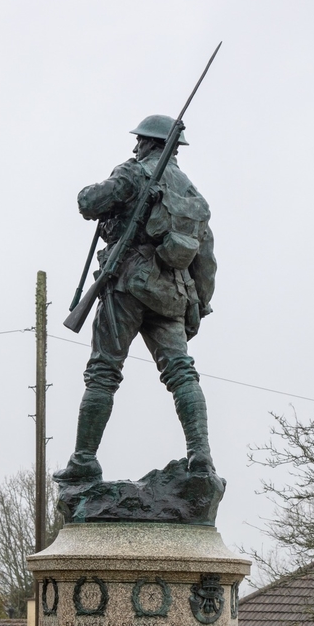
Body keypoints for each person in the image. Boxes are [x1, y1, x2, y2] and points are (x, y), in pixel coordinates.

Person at [56, 114, 217, 483]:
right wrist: (199, 304)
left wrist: (122, 173)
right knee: (182, 373)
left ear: (149, 144)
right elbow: (205, 259)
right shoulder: (193, 197)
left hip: (127, 283)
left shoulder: (134, 173)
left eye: (140, 141)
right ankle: (201, 457)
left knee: (103, 372)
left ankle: (83, 461)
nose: (134, 147)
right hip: (172, 295)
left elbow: (88, 202)